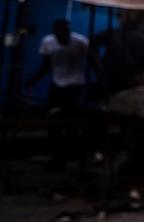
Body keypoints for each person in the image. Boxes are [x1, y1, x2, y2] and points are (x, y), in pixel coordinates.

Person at [26, 19, 98, 167]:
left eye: (66, 32)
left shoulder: (80, 42)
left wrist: (99, 81)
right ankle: (58, 156)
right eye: (60, 33)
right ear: (55, 34)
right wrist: (34, 79)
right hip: (57, 85)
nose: (63, 36)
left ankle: (73, 153)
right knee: (54, 119)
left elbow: (94, 61)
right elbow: (46, 65)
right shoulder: (48, 42)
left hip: (75, 85)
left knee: (70, 120)